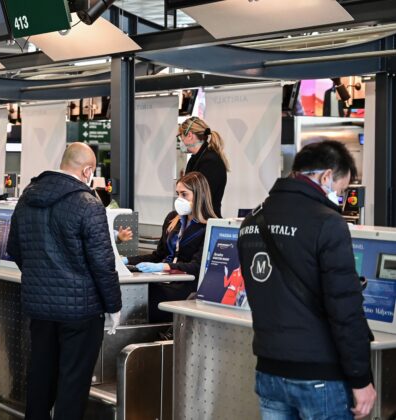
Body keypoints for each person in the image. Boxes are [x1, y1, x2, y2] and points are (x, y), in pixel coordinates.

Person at [237, 140, 376, 419]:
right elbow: (345, 310)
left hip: (269, 371)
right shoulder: (328, 223)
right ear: (326, 176)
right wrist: (361, 379)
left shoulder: (252, 222)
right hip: (320, 374)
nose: (340, 195)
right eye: (341, 189)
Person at [6, 142, 122, 420]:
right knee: (73, 382)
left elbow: (15, 248)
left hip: (40, 309)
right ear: (87, 170)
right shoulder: (88, 203)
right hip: (80, 312)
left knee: (41, 374)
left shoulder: (27, 197)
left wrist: (40, 276)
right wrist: (113, 307)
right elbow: (102, 262)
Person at [123, 172, 217, 322]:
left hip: (186, 286)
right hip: (162, 280)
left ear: (199, 195)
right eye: (178, 194)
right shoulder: (173, 219)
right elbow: (158, 255)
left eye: (184, 194)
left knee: (148, 299)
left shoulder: (210, 227)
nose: (180, 199)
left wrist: (164, 267)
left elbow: (196, 266)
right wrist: (128, 261)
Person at [178, 116, 229, 217]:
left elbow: (202, 197)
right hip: (194, 217)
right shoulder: (195, 159)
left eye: (180, 136)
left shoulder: (211, 161)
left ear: (189, 135)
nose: (180, 141)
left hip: (205, 219)